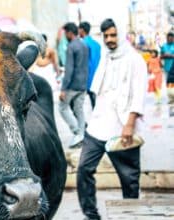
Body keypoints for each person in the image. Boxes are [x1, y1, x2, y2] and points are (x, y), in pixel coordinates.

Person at [76, 18, 147, 220]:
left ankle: (129, 215)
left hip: (123, 128)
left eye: (113, 35)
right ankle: (91, 215)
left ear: (121, 34)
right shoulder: (106, 57)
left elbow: (139, 94)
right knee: (83, 169)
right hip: (98, 126)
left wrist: (130, 124)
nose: (109, 39)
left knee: (129, 180)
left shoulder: (135, 60)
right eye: (106, 36)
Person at [59, 22, 88, 148]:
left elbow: (69, 69)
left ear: (70, 33)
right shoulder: (83, 45)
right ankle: (81, 135)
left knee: (62, 107)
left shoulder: (71, 46)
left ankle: (77, 132)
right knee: (79, 110)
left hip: (73, 85)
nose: (65, 35)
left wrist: (63, 89)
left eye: (65, 33)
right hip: (83, 84)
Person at [79, 21, 101, 109]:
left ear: (82, 30)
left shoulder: (82, 44)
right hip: (98, 76)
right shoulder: (97, 44)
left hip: (88, 77)